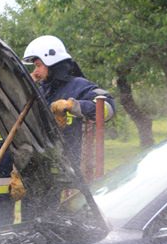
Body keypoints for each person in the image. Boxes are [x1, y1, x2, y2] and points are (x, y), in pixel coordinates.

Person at [23, 35, 115, 167]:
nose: (35, 71)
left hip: (75, 170)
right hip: (49, 170)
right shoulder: (42, 92)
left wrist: (74, 106)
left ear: (52, 63)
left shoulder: (79, 85)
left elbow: (108, 107)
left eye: (38, 65)